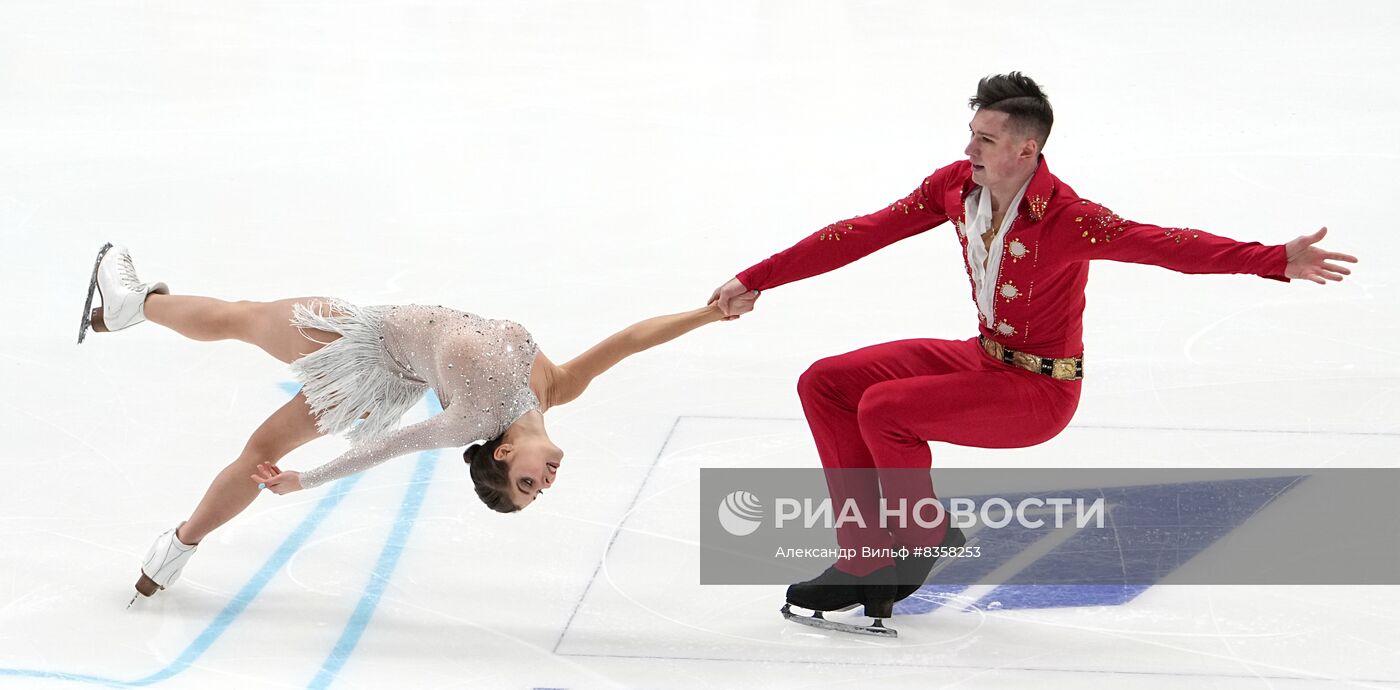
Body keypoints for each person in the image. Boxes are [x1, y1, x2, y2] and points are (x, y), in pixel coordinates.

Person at [708, 72, 1358, 636]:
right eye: (971, 134)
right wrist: (759, 277)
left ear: (1027, 148)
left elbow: (1168, 245)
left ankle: (918, 537)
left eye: (985, 140)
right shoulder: (954, 187)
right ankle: (863, 551)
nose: (969, 149)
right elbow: (862, 233)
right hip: (984, 357)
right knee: (826, 382)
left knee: (885, 409)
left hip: (1039, 391)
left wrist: (1273, 259)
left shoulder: (1068, 218)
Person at [77, 243, 750, 603]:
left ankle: (132, 305)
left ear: (504, 451)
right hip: (388, 373)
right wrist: (708, 314)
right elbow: (631, 339)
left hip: (359, 347)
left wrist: (306, 480)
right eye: (537, 490)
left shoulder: (474, 418)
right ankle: (172, 554)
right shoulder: (559, 387)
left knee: (239, 317)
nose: (543, 483)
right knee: (252, 397)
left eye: (524, 485)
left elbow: (391, 446)